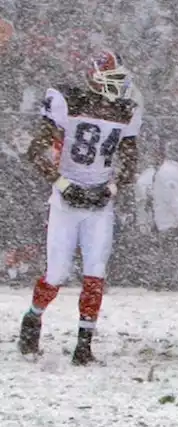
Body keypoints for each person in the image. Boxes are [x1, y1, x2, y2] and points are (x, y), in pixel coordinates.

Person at [19, 51, 141, 364]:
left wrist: (111, 188)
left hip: (99, 198)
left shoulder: (126, 110)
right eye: (113, 79)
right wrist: (62, 184)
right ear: (94, 78)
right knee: (57, 274)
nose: (120, 86)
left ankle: (84, 345)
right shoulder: (68, 101)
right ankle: (33, 318)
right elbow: (36, 151)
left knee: (95, 273)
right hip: (65, 197)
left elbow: (130, 162)